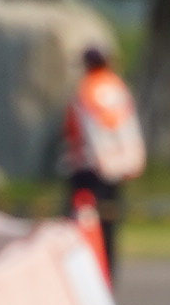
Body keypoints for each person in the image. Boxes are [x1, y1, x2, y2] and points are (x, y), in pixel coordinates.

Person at [60, 44, 147, 271]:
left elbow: (75, 130)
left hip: (89, 168)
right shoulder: (119, 88)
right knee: (109, 223)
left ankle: (87, 272)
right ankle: (108, 270)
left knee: (81, 224)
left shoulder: (86, 89)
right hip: (117, 167)